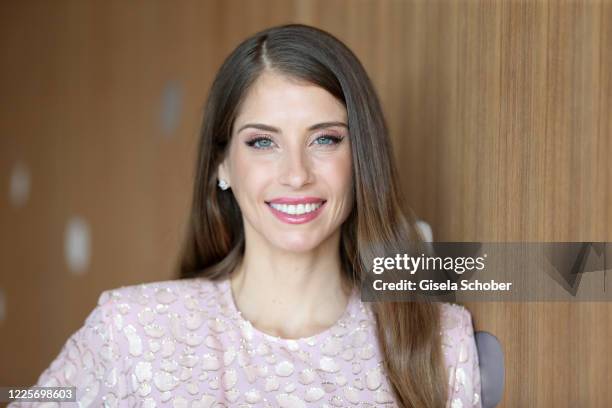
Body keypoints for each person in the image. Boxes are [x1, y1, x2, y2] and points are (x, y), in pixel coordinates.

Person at [12, 24, 481, 408]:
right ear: (222, 165)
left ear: (363, 159)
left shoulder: (442, 343)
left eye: (325, 139)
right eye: (263, 142)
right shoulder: (130, 328)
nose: (296, 174)